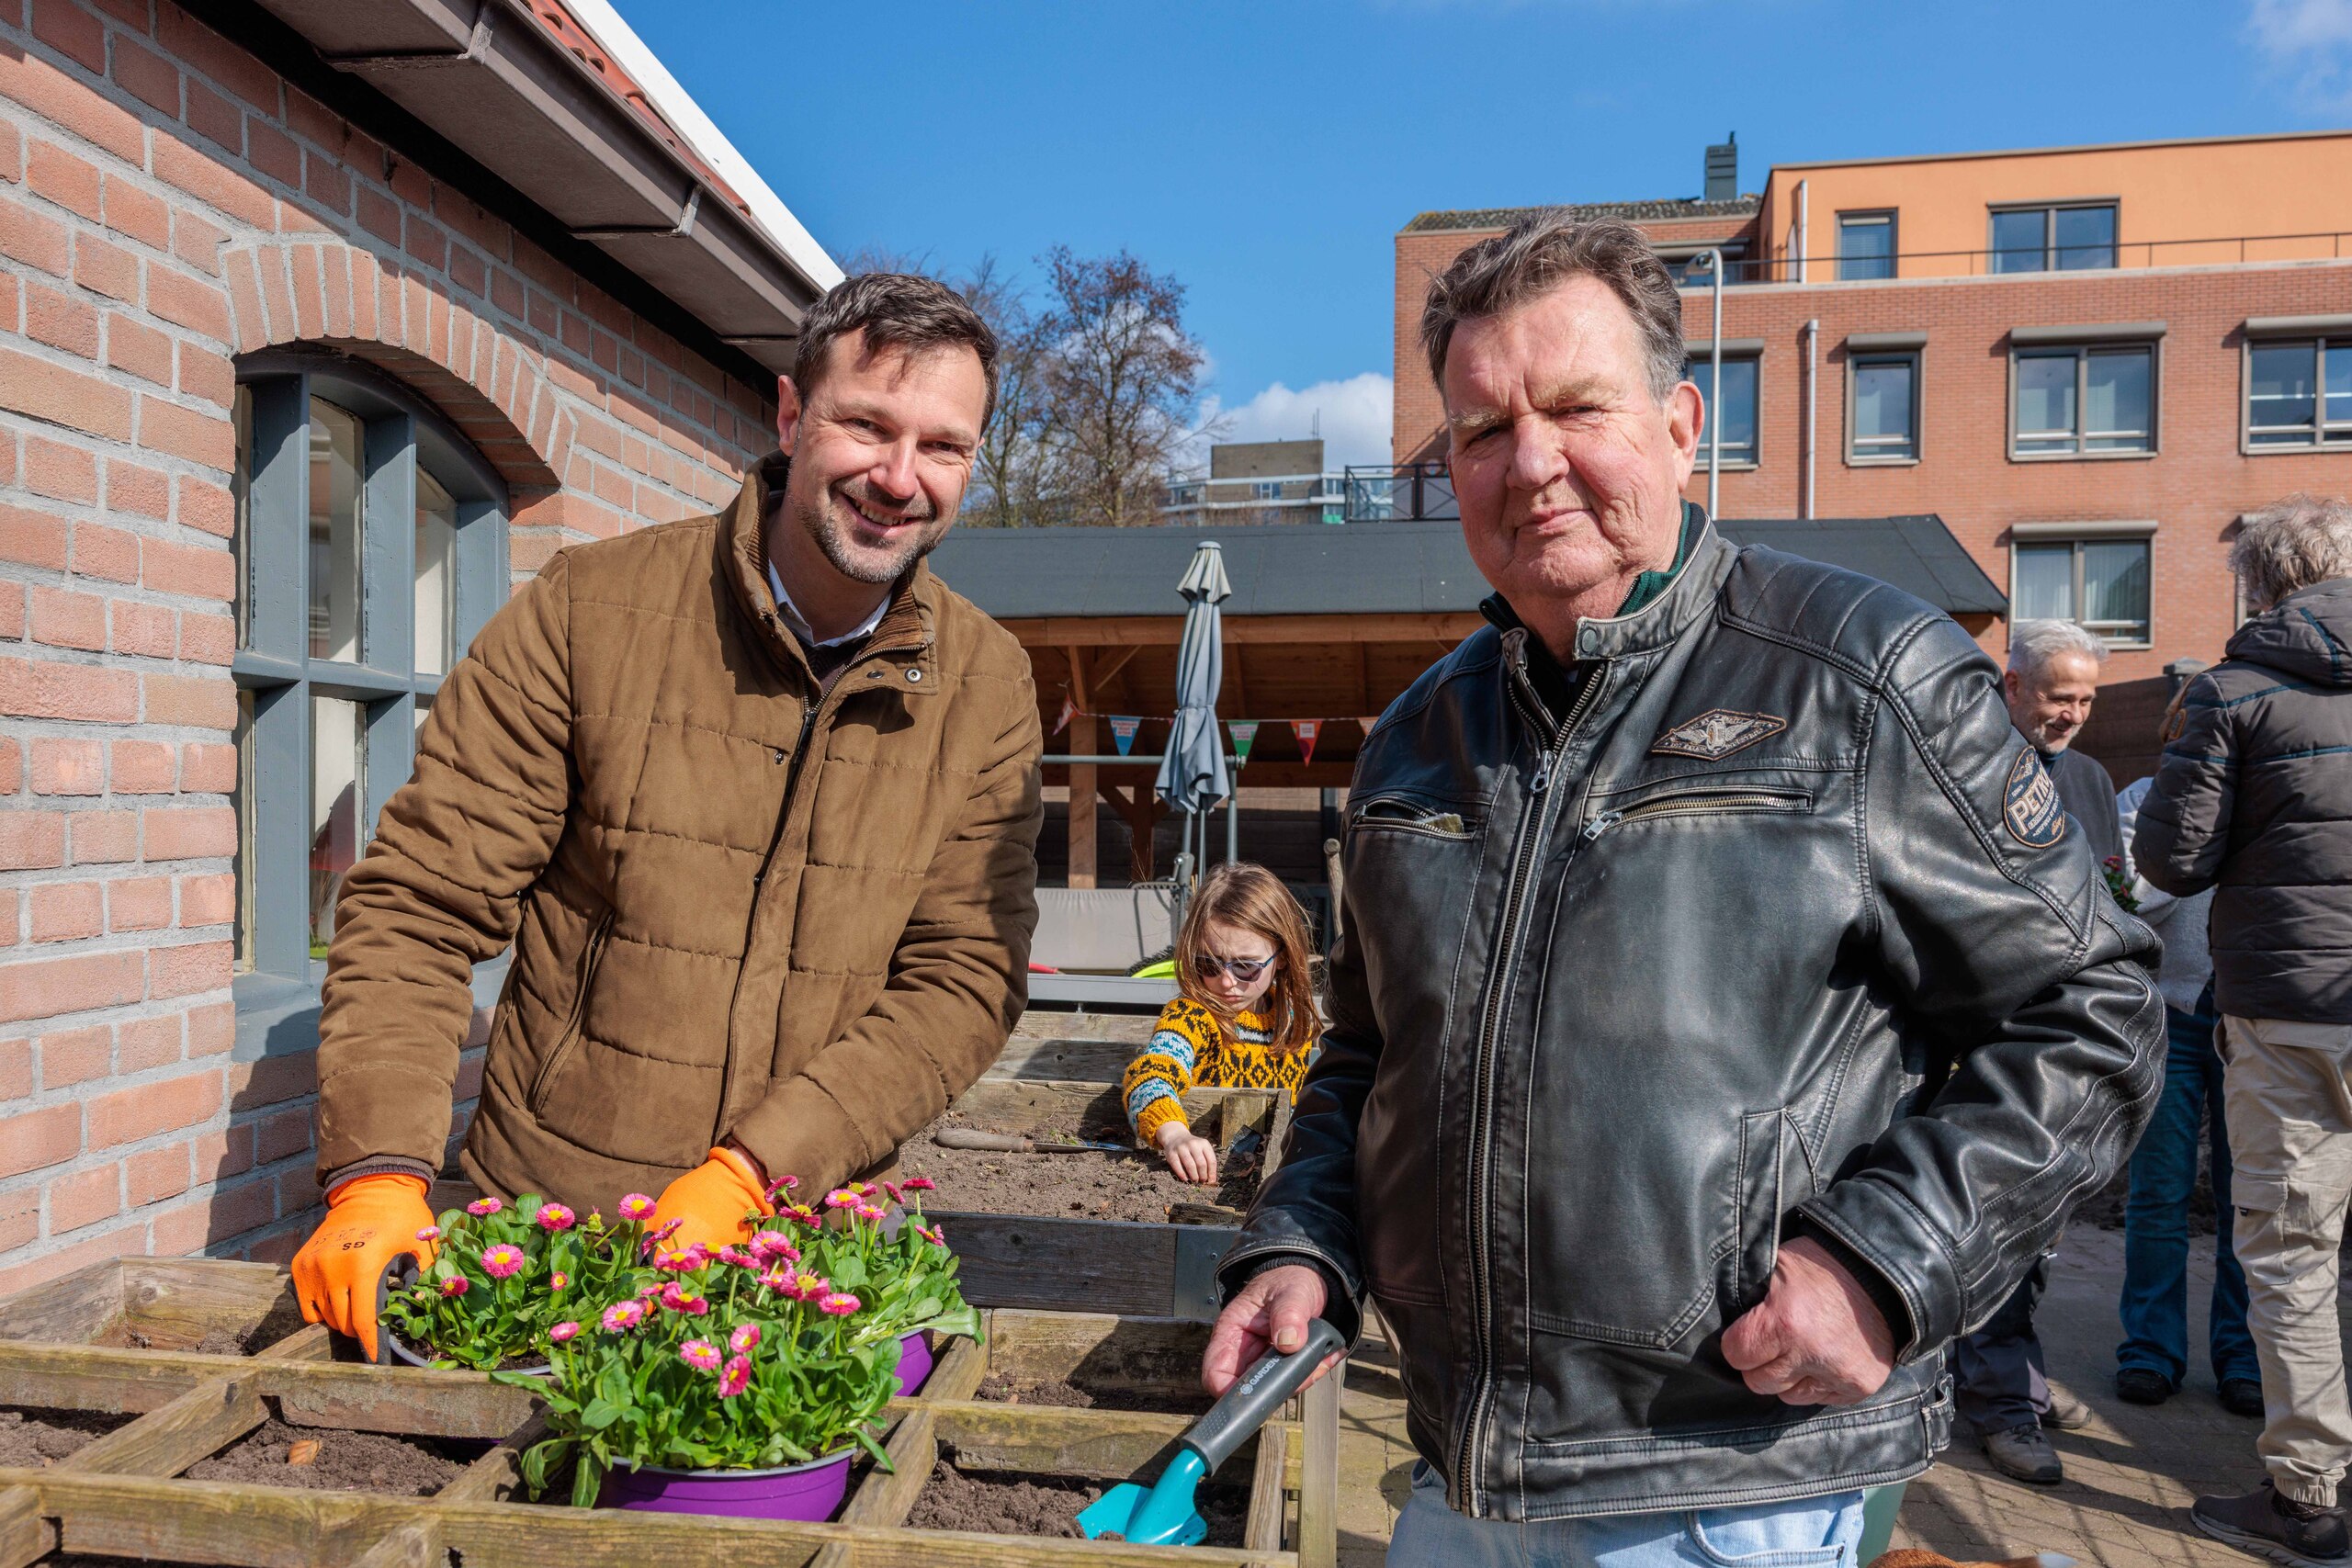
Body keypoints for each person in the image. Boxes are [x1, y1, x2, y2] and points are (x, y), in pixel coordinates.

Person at [1203, 212, 2163, 1568]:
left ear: (1678, 423)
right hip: (1460, 1468)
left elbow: (2093, 1005)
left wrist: (1887, 1259)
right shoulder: (1421, 736)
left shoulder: (1861, 676)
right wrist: (1303, 1244)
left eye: (1576, 408)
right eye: (1483, 430)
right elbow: (1369, 1053)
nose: (1529, 463)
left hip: (1731, 1478)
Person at [288, 274, 1045, 1355]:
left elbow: (963, 979)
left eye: (942, 447)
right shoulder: (588, 613)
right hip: (553, 1230)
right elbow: (421, 901)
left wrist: (754, 1170)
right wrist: (376, 1172)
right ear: (791, 416)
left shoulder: (987, 683)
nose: (897, 477)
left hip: (807, 1247)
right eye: (866, 424)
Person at [2132, 494, 2352, 1566]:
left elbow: (2172, 861)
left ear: (2262, 584)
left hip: (2290, 1011)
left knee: (2291, 1252)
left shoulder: (2233, 692)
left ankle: (2308, 1496)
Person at [1948, 619, 2123, 1484]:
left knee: (2043, 1231)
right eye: (2060, 697)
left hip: (2066, 1038)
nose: (2073, 714)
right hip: (1983, 1034)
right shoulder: (1963, 761)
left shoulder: (2089, 777)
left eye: (2086, 700)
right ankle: (2000, 1402)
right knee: (1997, 1218)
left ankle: (2015, 1373)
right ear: (2013, 686)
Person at [2112, 752, 2258, 1417]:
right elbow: (2128, 899)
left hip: (2252, 1018)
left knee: (2250, 1198)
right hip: (2168, 1015)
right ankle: (2150, 1349)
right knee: (2159, 1190)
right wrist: (2185, 838)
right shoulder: (2144, 797)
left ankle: (2245, 1355)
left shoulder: (2267, 790)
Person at [1122, 864, 1319, 1186]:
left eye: (1246, 967)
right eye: (1207, 964)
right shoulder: (1191, 1017)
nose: (1226, 981)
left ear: (1281, 957)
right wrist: (1174, 1134)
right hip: (1201, 1178)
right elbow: (1149, 1076)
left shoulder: (1296, 1024)